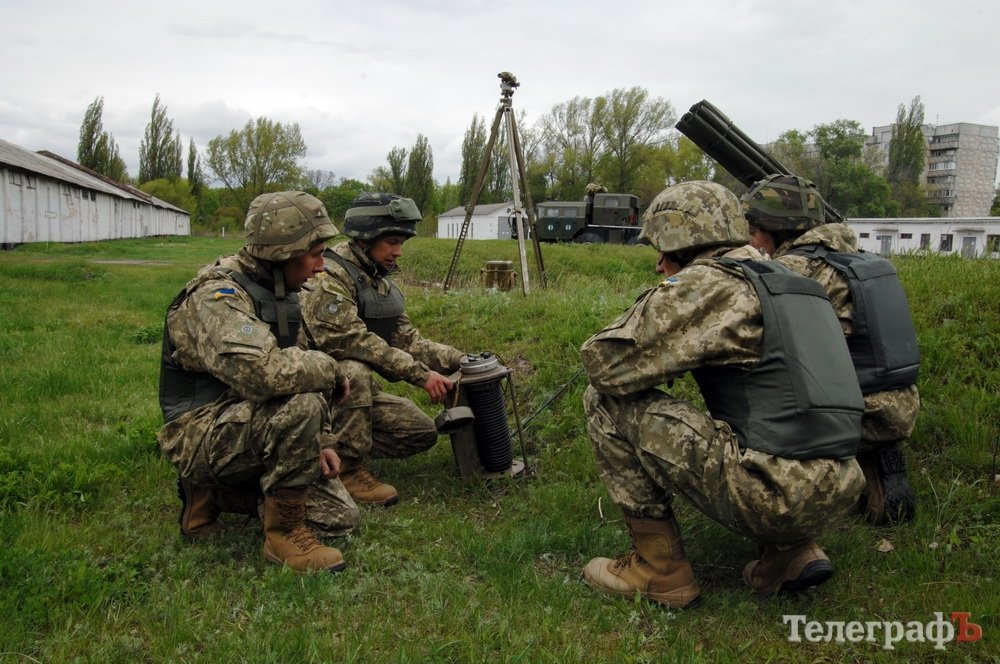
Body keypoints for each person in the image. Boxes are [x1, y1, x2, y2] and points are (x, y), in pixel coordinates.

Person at [580, 181, 866, 608]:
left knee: (602, 400)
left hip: (774, 493)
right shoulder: (791, 277)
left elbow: (604, 364)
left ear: (683, 240)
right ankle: (789, 552)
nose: (659, 264)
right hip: (843, 484)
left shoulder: (710, 283)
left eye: (662, 248)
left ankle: (659, 570)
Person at [157, 191, 360, 573]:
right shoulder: (216, 295)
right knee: (304, 405)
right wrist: (331, 370)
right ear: (283, 253)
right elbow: (264, 375)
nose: (321, 266)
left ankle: (225, 493)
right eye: (315, 253)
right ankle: (283, 533)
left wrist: (323, 441)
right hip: (200, 430)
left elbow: (297, 365)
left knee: (340, 517)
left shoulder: (282, 290)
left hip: (251, 421)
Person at [742, 174, 920, 526]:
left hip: (851, 413)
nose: (751, 239)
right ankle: (872, 460)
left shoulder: (793, 270)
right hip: (899, 402)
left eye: (753, 229)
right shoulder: (863, 260)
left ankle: (820, 482)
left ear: (775, 228)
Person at [299, 193, 465, 506]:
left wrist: (460, 358)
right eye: (391, 241)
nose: (398, 252)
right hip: (312, 394)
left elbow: (407, 340)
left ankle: (330, 449)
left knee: (420, 432)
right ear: (365, 238)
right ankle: (346, 469)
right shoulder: (329, 277)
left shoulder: (377, 280)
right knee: (354, 369)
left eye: (401, 242)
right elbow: (352, 340)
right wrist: (420, 375)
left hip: (353, 399)